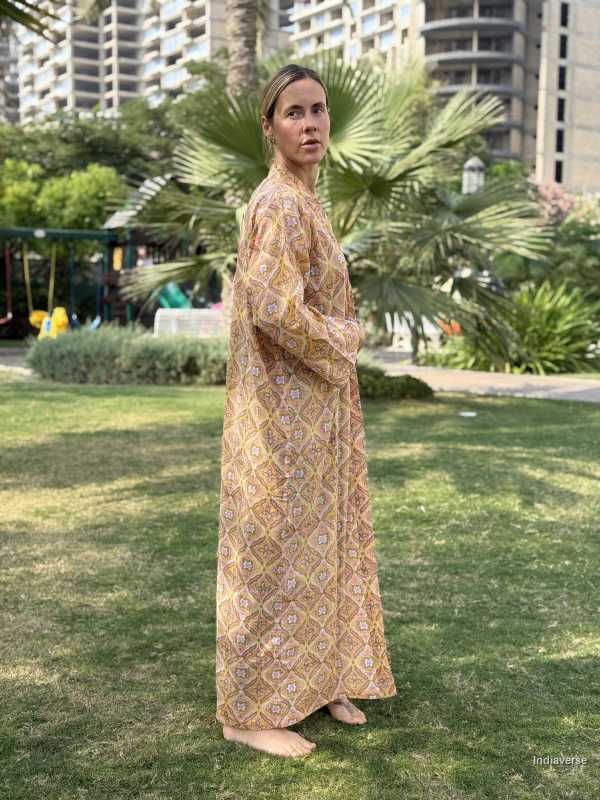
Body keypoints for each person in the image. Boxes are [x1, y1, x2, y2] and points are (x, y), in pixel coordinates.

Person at [215, 63, 397, 758]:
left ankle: (318, 678)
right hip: (280, 417)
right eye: (294, 112)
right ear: (270, 126)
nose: (312, 123)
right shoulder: (282, 203)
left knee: (321, 549)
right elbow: (271, 307)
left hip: (313, 412)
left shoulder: (305, 199)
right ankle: (246, 710)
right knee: (271, 556)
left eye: (318, 110)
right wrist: (346, 338)